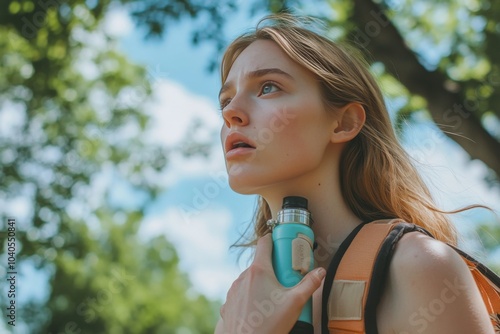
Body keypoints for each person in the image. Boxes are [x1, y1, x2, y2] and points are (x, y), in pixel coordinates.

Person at [215, 13, 495, 334]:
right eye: (225, 99)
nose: (231, 112)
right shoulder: (235, 310)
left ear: (344, 122)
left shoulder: (418, 268)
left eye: (268, 87)